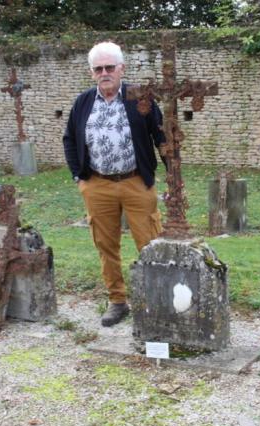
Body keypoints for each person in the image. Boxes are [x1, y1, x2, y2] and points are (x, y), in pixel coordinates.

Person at [63, 42, 165, 327]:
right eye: (99, 69)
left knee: (150, 243)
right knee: (105, 245)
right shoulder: (83, 102)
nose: (104, 73)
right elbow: (70, 139)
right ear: (92, 72)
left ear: (122, 68)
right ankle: (117, 300)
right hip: (98, 184)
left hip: (135, 182)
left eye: (110, 67)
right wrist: (78, 177)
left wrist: (172, 176)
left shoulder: (139, 98)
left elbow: (162, 138)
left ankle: (156, 301)